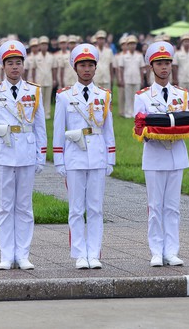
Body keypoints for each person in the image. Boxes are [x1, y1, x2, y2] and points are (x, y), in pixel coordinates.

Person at [0, 40, 47, 270]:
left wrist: (41, 155)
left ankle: (23, 254)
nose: (15, 67)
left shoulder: (34, 91)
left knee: (25, 206)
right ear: (3, 66)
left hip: (26, 152)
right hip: (2, 153)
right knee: (5, 206)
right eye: (10, 63)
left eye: (18, 63)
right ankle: (6, 254)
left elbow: (40, 127)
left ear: (23, 65)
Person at [53, 43, 116, 269]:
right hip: (75, 157)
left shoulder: (104, 95)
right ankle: (80, 253)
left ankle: (95, 252)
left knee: (96, 207)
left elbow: (108, 130)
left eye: (90, 65)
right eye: (82, 65)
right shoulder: (64, 96)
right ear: (75, 68)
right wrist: (59, 158)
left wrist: (111, 157)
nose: (87, 69)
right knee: (76, 208)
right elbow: (59, 129)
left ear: (96, 68)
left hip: (98, 155)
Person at [134, 41, 189, 267]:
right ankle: (156, 250)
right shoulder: (143, 96)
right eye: (159, 63)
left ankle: (172, 250)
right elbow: (139, 126)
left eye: (167, 63)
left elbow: (188, 122)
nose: (164, 67)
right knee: (155, 207)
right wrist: (155, 131)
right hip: (155, 155)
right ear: (151, 66)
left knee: (173, 207)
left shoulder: (181, 94)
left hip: (176, 153)